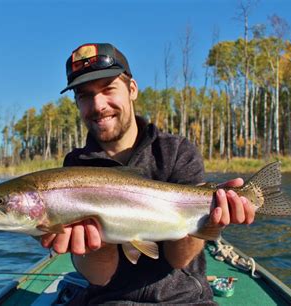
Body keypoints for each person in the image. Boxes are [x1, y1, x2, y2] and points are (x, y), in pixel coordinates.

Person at [40, 43, 255, 305]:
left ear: (132, 89)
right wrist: (101, 244)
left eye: (108, 88)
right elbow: (100, 276)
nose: (98, 105)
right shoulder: (74, 169)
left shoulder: (177, 152)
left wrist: (211, 221)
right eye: (84, 95)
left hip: (183, 300)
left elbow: (179, 260)